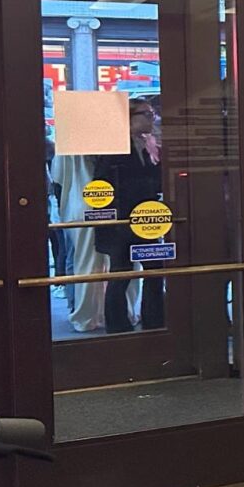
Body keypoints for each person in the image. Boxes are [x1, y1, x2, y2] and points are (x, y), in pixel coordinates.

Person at [92, 98, 165, 333]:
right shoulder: (115, 148)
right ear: (130, 119)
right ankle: (118, 326)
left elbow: (155, 180)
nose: (151, 119)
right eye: (146, 114)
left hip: (146, 220)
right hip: (122, 221)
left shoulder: (146, 144)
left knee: (155, 270)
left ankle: (154, 320)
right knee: (121, 275)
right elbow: (104, 184)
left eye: (152, 114)